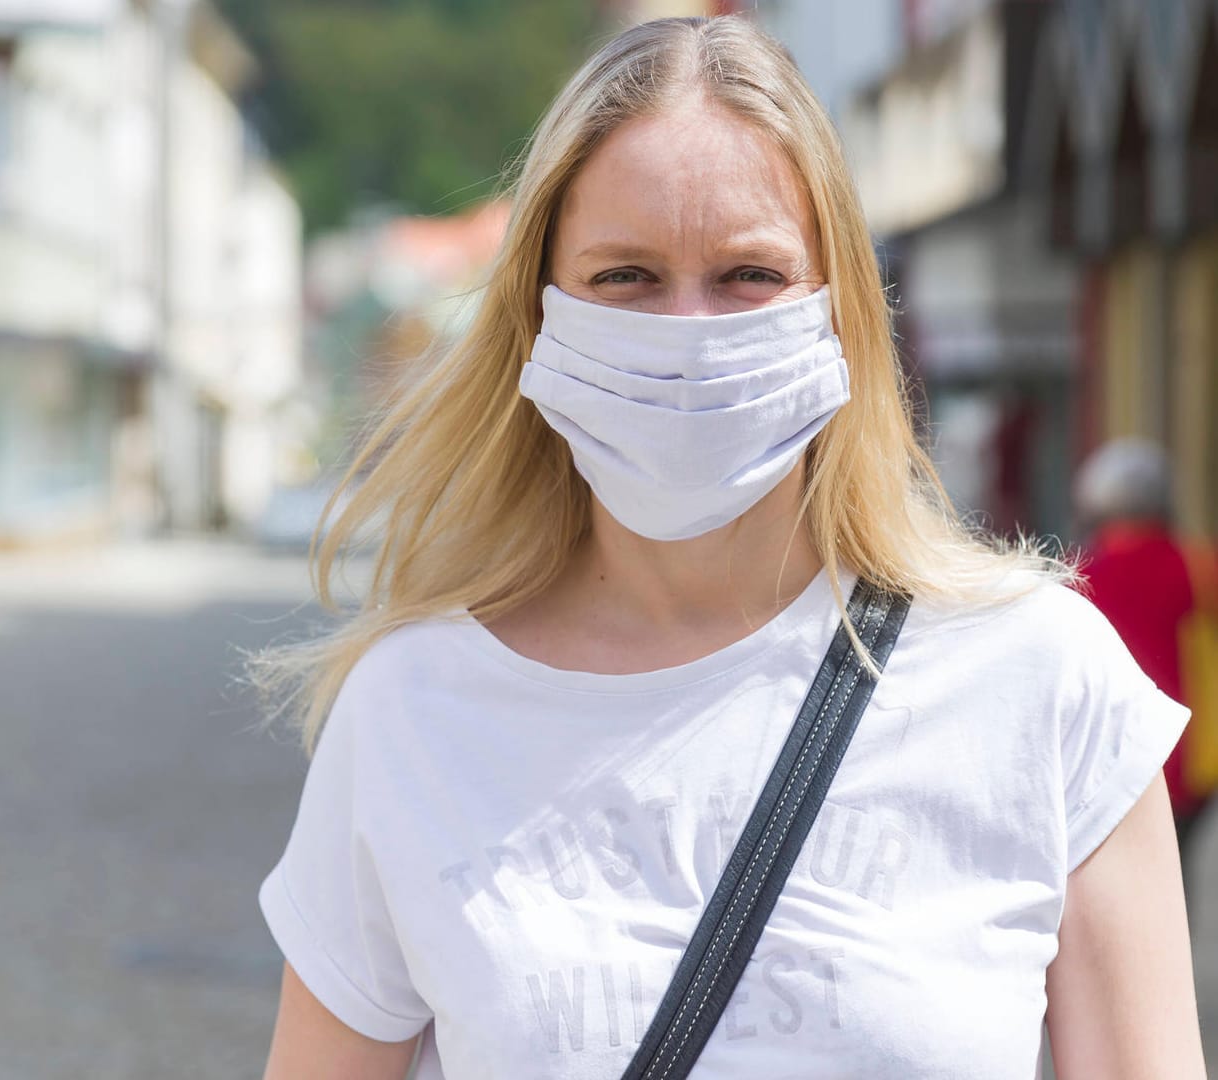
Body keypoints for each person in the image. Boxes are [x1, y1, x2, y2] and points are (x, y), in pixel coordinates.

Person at [252, 16, 1204, 1079]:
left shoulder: (1041, 680)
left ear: (839, 307)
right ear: (539, 317)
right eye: (627, 277)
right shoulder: (413, 712)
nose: (692, 334)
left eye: (749, 275)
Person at [1074, 437, 1215, 894]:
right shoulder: (1197, 566)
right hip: (1187, 754)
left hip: (1105, 755)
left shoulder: (1078, 575)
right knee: (1178, 879)